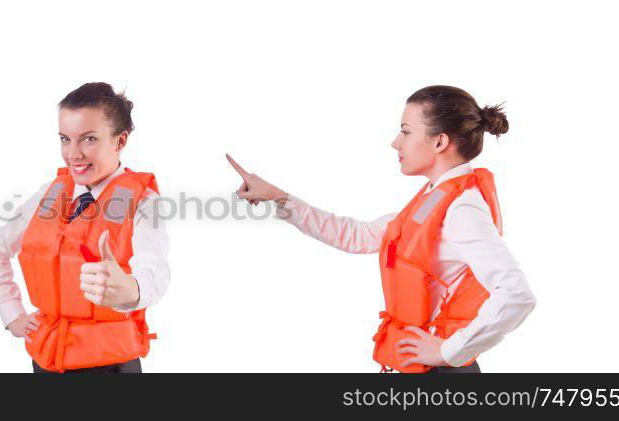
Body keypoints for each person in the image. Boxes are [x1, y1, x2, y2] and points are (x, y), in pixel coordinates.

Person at [226, 85, 536, 373]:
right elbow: (358, 236)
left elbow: (517, 295)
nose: (395, 142)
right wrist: (279, 197)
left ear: (440, 141)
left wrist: (448, 351)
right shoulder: (434, 197)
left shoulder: (461, 208)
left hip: (442, 373)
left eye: (406, 131)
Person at [0, 82, 170, 373]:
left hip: (111, 364)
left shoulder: (143, 202)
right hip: (47, 357)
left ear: (120, 141)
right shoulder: (49, 193)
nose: (74, 154)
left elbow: (154, 272)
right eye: (64, 139)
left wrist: (131, 291)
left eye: (89, 139)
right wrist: (12, 314)